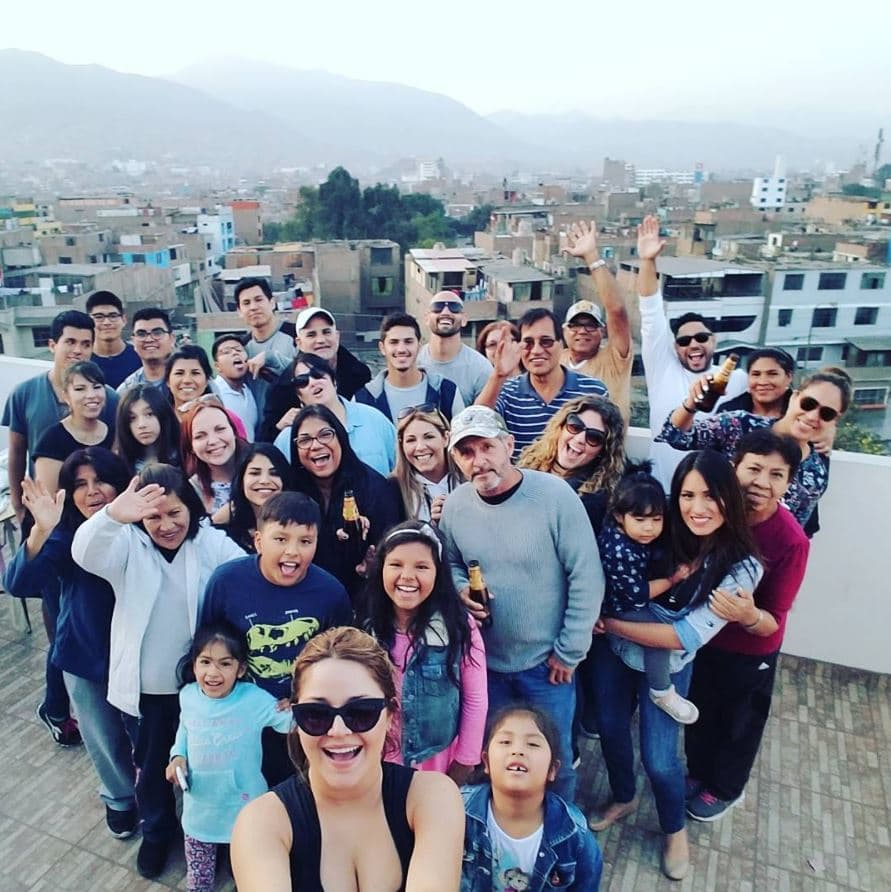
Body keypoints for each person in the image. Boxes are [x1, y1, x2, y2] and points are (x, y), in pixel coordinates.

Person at [587, 450, 762, 881]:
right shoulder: (659, 529)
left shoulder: (742, 567)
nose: (696, 508)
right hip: (614, 657)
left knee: (661, 757)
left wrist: (608, 622)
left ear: (730, 498)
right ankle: (624, 796)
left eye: (710, 495)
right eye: (687, 495)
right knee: (609, 729)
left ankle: (673, 828)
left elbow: (683, 636)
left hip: (666, 664)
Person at [70, 463, 245, 878]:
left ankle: (210, 833)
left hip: (203, 685)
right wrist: (112, 516)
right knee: (151, 766)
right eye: (153, 516)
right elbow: (84, 552)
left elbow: (245, 572)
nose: (166, 525)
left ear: (191, 509)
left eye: (175, 514)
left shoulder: (210, 544)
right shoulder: (126, 545)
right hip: (148, 687)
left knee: (204, 760)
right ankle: (157, 829)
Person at [439, 406, 604, 801]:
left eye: (486, 446)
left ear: (509, 445)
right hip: (485, 665)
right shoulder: (457, 506)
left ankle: (561, 835)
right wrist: (461, 587)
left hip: (547, 665)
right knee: (492, 756)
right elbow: (450, 562)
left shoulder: (554, 496)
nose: (478, 460)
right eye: (466, 452)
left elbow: (586, 575)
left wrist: (570, 651)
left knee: (554, 758)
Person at [230, 626, 465, 892]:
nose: (338, 731)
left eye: (361, 712)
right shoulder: (262, 823)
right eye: (316, 714)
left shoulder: (432, 798)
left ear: (390, 717)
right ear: (296, 719)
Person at [4, 448, 139, 838]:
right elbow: (19, 584)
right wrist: (40, 531)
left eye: (101, 481)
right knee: (103, 735)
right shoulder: (64, 535)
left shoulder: (141, 524)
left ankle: (156, 793)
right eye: (80, 484)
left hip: (139, 653)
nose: (92, 492)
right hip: (84, 654)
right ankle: (119, 799)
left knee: (147, 733)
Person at [2, 308, 117, 746]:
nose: (78, 350)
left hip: (103, 534)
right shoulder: (36, 405)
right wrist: (22, 508)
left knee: (91, 626)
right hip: (62, 540)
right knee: (63, 630)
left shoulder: (109, 419)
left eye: (86, 344)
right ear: (53, 344)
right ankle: (56, 707)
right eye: (70, 342)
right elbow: (20, 455)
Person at [684, 430, 810, 822]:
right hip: (701, 640)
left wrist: (747, 616)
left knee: (740, 723)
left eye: (777, 475)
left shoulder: (791, 540)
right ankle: (699, 772)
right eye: (754, 468)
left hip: (749, 651)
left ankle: (725, 788)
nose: (761, 482)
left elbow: (774, 619)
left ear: (789, 483)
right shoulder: (718, 512)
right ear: (734, 467)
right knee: (700, 709)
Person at [202, 491, 353, 783]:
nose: (293, 551)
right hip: (241, 715)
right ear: (258, 541)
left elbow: (340, 661)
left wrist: (303, 699)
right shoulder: (225, 582)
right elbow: (208, 647)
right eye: (280, 539)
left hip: (302, 718)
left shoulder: (330, 593)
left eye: (305, 541)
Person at [166, 621, 293, 892]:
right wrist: (177, 756)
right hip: (200, 811)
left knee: (251, 876)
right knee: (199, 883)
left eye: (225, 663)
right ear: (194, 664)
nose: (213, 672)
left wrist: (299, 701)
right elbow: (184, 729)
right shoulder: (188, 696)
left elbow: (290, 724)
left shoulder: (254, 700)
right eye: (205, 662)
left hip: (247, 810)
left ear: (241, 669)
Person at [357, 521, 486, 782]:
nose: (407, 576)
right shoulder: (365, 627)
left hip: (436, 760)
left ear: (438, 573)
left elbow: (476, 698)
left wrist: (466, 760)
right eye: (396, 565)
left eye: (422, 567)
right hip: (378, 759)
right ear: (381, 567)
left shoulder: (459, 626)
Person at [657, 365, 852, 528]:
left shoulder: (815, 475)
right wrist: (692, 403)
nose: (812, 416)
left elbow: (790, 533)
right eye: (808, 404)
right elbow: (675, 435)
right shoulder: (740, 425)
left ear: (835, 420)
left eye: (826, 414)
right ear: (794, 397)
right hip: (697, 538)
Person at [635, 215, 748, 489]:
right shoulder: (664, 369)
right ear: (675, 348)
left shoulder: (739, 380)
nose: (693, 345)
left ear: (714, 340)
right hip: (660, 492)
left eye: (701, 337)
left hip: (709, 498)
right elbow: (650, 311)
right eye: (684, 341)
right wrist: (648, 261)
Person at [460, 706, 602, 891]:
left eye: (533, 744)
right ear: (486, 762)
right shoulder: (457, 811)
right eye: (505, 741)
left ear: (552, 770)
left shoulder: (574, 835)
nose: (517, 750)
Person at [596, 468, 698, 724]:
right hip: (617, 604)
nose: (649, 528)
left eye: (656, 519)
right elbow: (636, 596)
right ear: (620, 516)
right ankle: (661, 690)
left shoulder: (624, 529)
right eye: (640, 520)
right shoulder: (621, 550)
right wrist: (673, 579)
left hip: (620, 596)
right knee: (659, 634)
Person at [289, 405, 403, 598]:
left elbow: (392, 548)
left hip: (366, 595)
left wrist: (374, 564)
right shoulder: (291, 491)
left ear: (341, 438)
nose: (315, 445)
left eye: (325, 435)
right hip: (306, 594)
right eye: (305, 440)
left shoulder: (374, 487)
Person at [476, 308, 608, 460]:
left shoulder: (593, 391)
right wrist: (498, 375)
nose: (536, 350)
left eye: (546, 342)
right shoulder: (507, 391)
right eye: (528, 343)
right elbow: (476, 422)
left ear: (561, 344)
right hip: (524, 481)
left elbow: (604, 451)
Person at [272, 353, 396, 475]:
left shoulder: (374, 419)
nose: (312, 382)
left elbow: (402, 470)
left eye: (318, 374)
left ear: (334, 381)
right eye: (302, 381)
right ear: (299, 395)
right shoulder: (288, 438)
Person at [518, 395, 625, 532]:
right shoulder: (526, 467)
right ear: (560, 427)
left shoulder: (595, 502)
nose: (580, 439)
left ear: (603, 450)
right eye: (575, 426)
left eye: (594, 437)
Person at [561, 221, 633, 424]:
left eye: (590, 325)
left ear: (602, 331)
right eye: (575, 325)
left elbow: (617, 311)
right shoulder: (557, 360)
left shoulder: (614, 360)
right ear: (564, 331)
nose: (582, 331)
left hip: (605, 452)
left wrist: (591, 257)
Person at [355, 312, 465, 423]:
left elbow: (461, 437)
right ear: (382, 347)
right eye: (394, 342)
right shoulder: (363, 399)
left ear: (419, 345)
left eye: (408, 342)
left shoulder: (447, 391)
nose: (401, 349)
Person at [34, 360, 116, 493]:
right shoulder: (52, 440)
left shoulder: (115, 433)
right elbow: (47, 498)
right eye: (80, 389)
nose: (91, 395)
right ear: (66, 396)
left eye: (97, 387)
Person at [180, 396, 250, 521]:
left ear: (234, 432)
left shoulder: (260, 468)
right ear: (191, 446)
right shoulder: (190, 490)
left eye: (220, 429)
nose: (213, 441)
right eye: (200, 436)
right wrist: (216, 521)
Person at [418, 292, 493, 404]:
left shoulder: (481, 368)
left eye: (454, 308)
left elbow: (483, 414)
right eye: (437, 307)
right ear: (426, 318)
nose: (445, 312)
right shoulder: (413, 362)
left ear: (464, 319)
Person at [236, 277, 295, 418]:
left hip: (293, 426)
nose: (253, 307)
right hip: (259, 432)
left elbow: (310, 374)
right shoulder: (241, 348)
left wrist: (270, 358)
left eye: (258, 299)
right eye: (246, 303)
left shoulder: (296, 335)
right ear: (239, 311)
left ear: (272, 302)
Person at [392, 405, 462, 523]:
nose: (420, 447)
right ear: (401, 444)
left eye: (429, 437)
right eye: (411, 440)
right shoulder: (392, 489)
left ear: (446, 438)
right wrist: (433, 524)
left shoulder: (469, 478)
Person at [222, 443, 293, 552]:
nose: (264, 481)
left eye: (274, 473)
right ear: (241, 480)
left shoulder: (301, 526)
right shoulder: (225, 536)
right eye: (255, 473)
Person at [294, 306, 372, 398]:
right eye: (311, 335)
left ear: (337, 336)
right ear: (299, 343)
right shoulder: (286, 385)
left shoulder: (360, 375)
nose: (321, 340)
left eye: (326, 332)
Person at [114, 383, 182, 474]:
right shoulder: (120, 465)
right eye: (132, 418)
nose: (141, 425)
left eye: (149, 414)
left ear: (163, 413)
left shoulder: (185, 456)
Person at [719, 347, 795, 418]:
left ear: (789, 377)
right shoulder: (728, 413)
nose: (762, 382)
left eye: (772, 374)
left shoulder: (801, 412)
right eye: (756, 374)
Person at [86, 290, 141, 388]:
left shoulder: (140, 356)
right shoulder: (83, 360)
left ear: (124, 320)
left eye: (113, 316)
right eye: (99, 317)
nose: (107, 322)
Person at [116, 307, 176, 395]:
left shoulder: (188, 381)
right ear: (133, 341)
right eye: (141, 334)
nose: (149, 339)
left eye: (157, 333)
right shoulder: (126, 391)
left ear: (172, 339)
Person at [212, 333, 259, 441]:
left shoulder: (249, 391)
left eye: (238, 350)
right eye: (226, 352)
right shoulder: (213, 392)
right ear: (217, 366)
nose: (234, 353)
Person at [165, 344, 216, 414]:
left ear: (206, 380)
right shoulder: (157, 419)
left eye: (195, 373)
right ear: (167, 381)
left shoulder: (221, 418)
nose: (187, 380)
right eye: (179, 373)